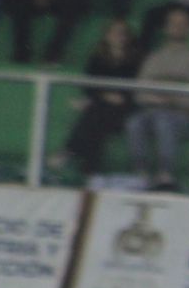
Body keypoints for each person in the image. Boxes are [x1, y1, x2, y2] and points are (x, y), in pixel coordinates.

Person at [125, 7, 189, 190]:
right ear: (166, 28)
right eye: (173, 24)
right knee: (134, 123)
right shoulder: (154, 58)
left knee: (164, 121)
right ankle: (141, 173)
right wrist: (158, 101)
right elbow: (140, 91)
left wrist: (175, 101)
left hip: (182, 116)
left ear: (188, 29)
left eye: (182, 24)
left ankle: (166, 173)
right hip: (152, 111)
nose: (177, 28)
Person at [52, 19, 142, 176]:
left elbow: (136, 88)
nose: (118, 36)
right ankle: (89, 169)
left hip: (125, 108)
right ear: (107, 36)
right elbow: (89, 85)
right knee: (98, 119)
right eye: (114, 33)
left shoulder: (135, 60)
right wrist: (105, 96)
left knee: (94, 113)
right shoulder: (97, 58)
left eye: (122, 33)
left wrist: (114, 97)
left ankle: (70, 150)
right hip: (102, 106)